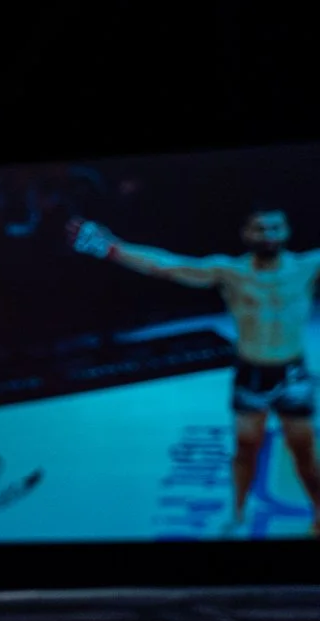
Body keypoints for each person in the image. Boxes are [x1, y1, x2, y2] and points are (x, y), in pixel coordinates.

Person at [72, 207, 320, 536]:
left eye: (275, 228)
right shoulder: (231, 271)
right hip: (252, 373)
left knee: (304, 452)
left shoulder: (307, 265)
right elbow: (167, 266)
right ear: (246, 233)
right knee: (246, 449)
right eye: (260, 229)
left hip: (293, 375)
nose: (268, 235)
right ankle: (238, 515)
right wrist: (112, 248)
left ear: (287, 230)